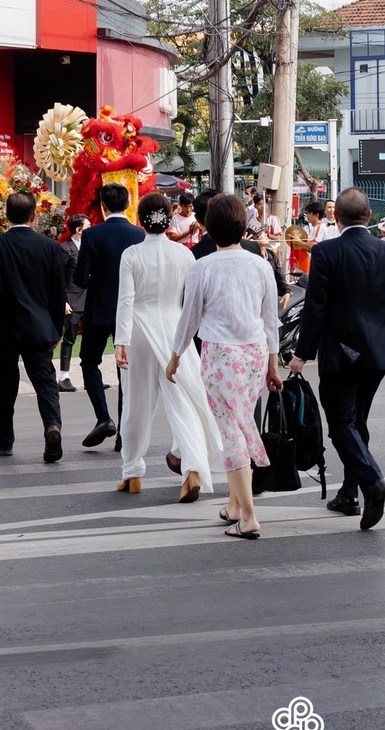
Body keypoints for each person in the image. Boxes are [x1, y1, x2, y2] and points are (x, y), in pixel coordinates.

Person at [291, 187, 385, 529]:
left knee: (342, 425)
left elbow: (315, 309)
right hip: (378, 352)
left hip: (341, 353)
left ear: (338, 218)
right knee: (356, 422)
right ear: (369, 217)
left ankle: (373, 482)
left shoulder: (327, 252)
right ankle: (349, 494)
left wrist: (301, 354)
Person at [169, 193, 282, 540]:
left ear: (206, 226)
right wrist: (273, 364)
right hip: (255, 354)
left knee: (231, 431)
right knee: (241, 422)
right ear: (244, 225)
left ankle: (247, 516)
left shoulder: (201, 267)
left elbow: (189, 318)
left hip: (220, 355)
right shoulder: (260, 263)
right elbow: (270, 320)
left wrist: (175, 355)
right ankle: (235, 506)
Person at [113, 194, 220, 501]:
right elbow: (190, 304)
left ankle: (132, 472)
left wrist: (121, 341)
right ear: (170, 217)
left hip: (140, 332)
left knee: (136, 403)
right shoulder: (185, 255)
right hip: (176, 332)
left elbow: (126, 300)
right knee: (182, 401)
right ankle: (193, 469)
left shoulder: (131, 255)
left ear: (139, 219)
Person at [0, 190, 67, 463]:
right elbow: (57, 293)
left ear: (7, 216)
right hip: (40, 327)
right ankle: (52, 426)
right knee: (45, 382)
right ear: (35, 215)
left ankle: (4, 439)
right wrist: (56, 328)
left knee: (4, 384)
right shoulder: (51, 247)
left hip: (5, 329)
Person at [73, 183, 144, 445]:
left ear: (103, 206)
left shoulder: (92, 236)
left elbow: (80, 279)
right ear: (128, 204)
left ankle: (103, 417)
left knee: (89, 362)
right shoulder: (139, 235)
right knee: (126, 368)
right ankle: (124, 431)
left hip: (99, 309)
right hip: (131, 311)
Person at [58, 214, 89, 391]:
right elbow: (58, 277)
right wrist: (63, 301)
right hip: (71, 300)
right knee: (69, 339)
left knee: (90, 339)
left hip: (88, 300)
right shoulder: (65, 249)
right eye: (88, 226)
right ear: (78, 229)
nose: (91, 229)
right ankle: (64, 377)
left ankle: (90, 376)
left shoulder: (88, 247)